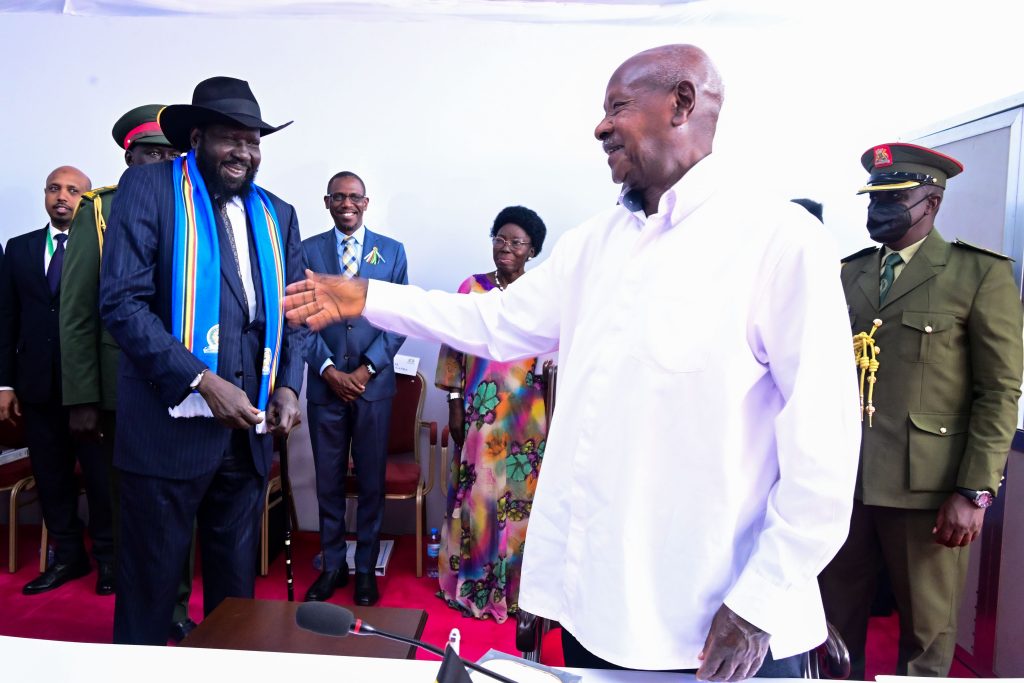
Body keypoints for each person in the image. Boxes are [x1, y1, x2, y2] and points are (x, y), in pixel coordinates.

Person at [285, 44, 860, 680]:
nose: (601, 126)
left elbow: (824, 455)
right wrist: (366, 296)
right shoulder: (594, 244)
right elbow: (495, 323)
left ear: (683, 103)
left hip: (716, 631)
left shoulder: (778, 242)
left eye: (618, 107)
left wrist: (758, 603)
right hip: (597, 612)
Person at [99, 77, 305, 645]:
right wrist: (200, 379)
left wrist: (288, 388)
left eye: (253, 140)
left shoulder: (277, 213)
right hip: (167, 433)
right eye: (229, 138)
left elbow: (291, 315)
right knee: (150, 591)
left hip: (246, 437)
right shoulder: (148, 188)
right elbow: (120, 302)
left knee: (234, 599)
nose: (243, 151)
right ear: (196, 138)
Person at [819, 143, 1024, 678]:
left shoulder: (977, 275)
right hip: (843, 484)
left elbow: (999, 391)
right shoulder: (849, 274)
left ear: (931, 203)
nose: (878, 211)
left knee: (926, 636)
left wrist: (974, 491)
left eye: (895, 198)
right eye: (874, 199)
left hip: (926, 490)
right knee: (831, 625)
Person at [59, 105, 198, 638]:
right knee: (133, 511)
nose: (162, 161)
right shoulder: (101, 210)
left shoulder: (193, 206)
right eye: (151, 153)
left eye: (171, 153)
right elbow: (76, 313)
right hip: (122, 391)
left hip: (183, 383)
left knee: (177, 509)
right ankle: (144, 617)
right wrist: (82, 397)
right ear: (129, 157)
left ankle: (176, 610)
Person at [0, 166, 116, 596]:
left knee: (102, 480)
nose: (62, 196)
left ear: (87, 200)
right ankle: (68, 556)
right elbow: (7, 319)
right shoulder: (20, 248)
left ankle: (109, 559)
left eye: (73, 190)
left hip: (91, 389)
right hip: (37, 388)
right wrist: (4, 385)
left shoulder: (106, 246)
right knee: (52, 478)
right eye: (54, 188)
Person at [434, 205, 548, 623]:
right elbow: (453, 344)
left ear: (531, 250)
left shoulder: (542, 292)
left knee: (520, 505)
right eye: (499, 239)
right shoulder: (473, 288)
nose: (505, 248)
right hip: (480, 413)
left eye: (516, 242)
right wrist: (452, 402)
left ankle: (517, 593)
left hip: (528, 417)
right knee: (479, 500)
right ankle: (474, 585)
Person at [302, 171, 408, 606]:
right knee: (327, 481)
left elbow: (399, 318)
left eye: (355, 197)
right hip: (325, 386)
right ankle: (332, 567)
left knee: (369, 482)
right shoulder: (306, 250)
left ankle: (365, 569)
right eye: (338, 197)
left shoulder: (393, 252)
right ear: (327, 202)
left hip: (373, 388)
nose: (347, 204)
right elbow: (296, 316)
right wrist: (328, 369)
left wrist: (365, 370)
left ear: (366, 203)